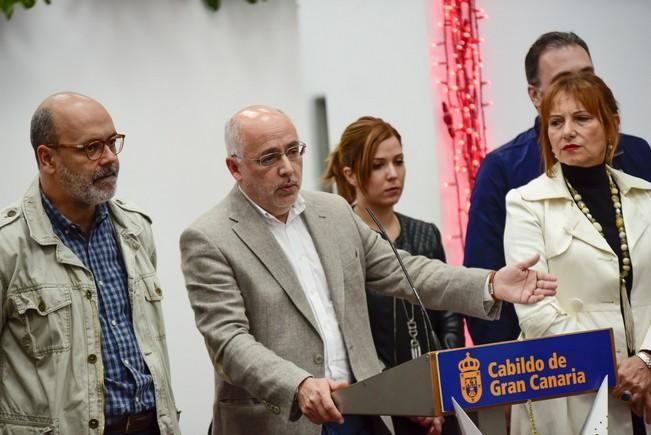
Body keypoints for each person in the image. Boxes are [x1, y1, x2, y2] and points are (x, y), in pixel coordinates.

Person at [179, 105, 557, 435]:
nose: (287, 168)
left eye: (294, 152)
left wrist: (490, 283)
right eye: (268, 158)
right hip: (279, 418)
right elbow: (229, 342)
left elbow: (407, 270)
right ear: (235, 168)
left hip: (362, 412)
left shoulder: (333, 212)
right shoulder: (209, 238)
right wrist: (298, 384)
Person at [0, 92, 180, 434]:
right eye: (92, 148)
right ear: (47, 158)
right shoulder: (8, 245)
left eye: (113, 142)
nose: (110, 159)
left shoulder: (135, 229)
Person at [464, 31, 651, 346]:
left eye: (588, 77)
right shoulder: (506, 171)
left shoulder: (638, 158)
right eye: (564, 80)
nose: (579, 89)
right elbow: (491, 285)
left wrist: (645, 361)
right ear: (535, 96)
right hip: (563, 367)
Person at [504, 71, 651, 435]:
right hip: (572, 391)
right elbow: (536, 315)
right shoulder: (526, 203)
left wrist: (647, 362)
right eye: (556, 122)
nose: (567, 131)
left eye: (581, 118)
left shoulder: (646, 197)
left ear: (611, 125)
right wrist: (617, 367)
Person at [323, 115, 462, 435]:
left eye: (399, 162)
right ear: (350, 174)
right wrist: (401, 394)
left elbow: (449, 313)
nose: (393, 174)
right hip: (375, 403)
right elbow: (349, 338)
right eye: (378, 165)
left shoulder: (425, 234)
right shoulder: (338, 242)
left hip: (437, 397)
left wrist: (442, 380)